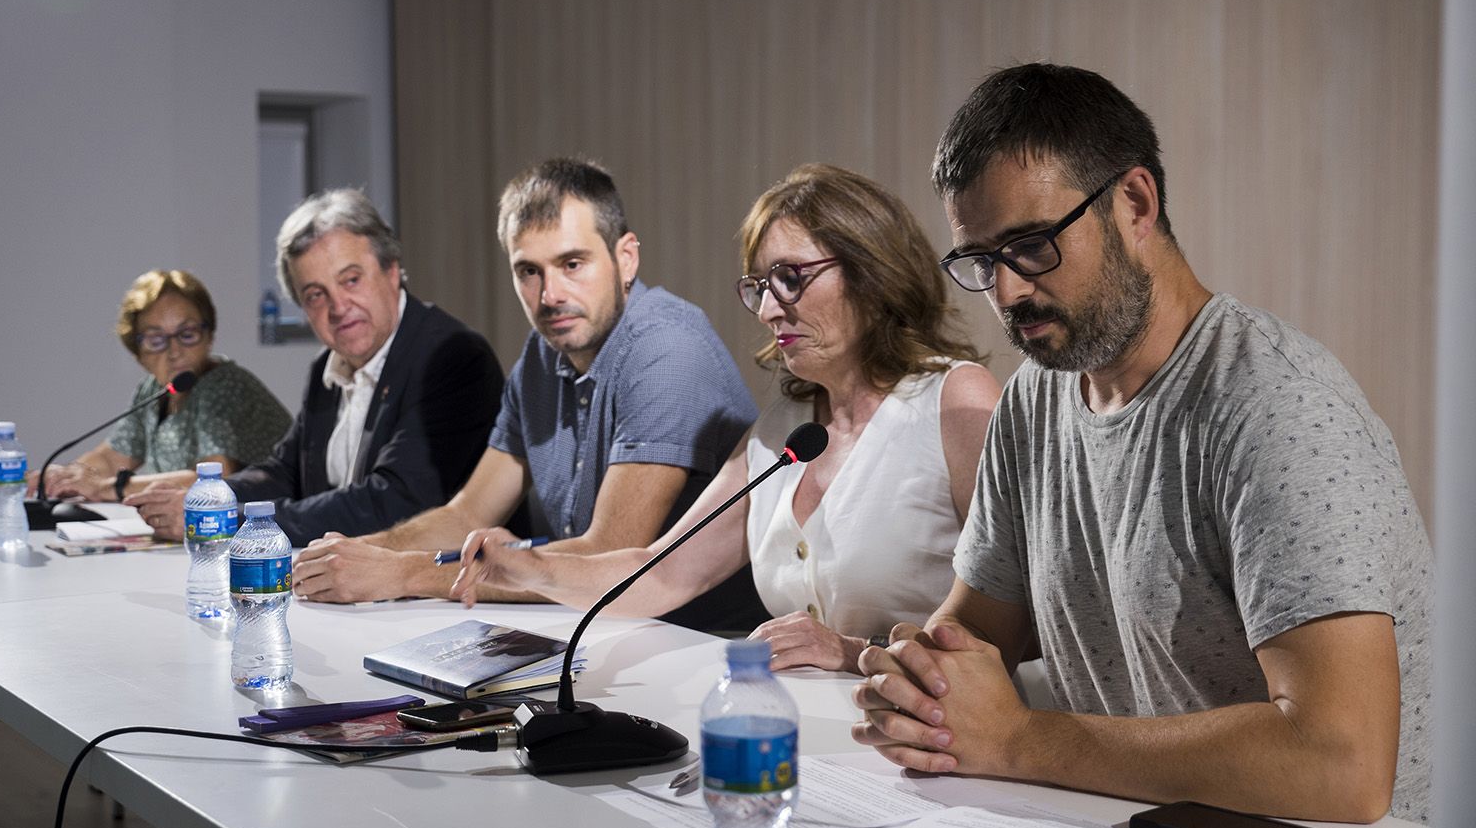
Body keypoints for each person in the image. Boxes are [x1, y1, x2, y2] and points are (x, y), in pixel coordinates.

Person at [851, 63, 1431, 822]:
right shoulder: (1036, 398)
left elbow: (1341, 765)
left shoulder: (1277, 405)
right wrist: (918, 687)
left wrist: (1020, 739)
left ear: (1133, 203)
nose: (1008, 292)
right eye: (981, 260)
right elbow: (974, 635)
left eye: (1030, 244)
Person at [450, 164, 1001, 670]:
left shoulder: (955, 400)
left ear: (870, 272)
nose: (767, 309)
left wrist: (853, 651)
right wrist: (530, 568)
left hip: (943, 740)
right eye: (759, 286)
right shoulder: (779, 428)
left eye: (790, 278)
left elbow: (1013, 625)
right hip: (807, 731)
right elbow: (660, 573)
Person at [289, 157, 768, 633]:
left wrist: (401, 573)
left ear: (626, 258)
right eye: (528, 272)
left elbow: (608, 554)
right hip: (601, 629)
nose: (550, 295)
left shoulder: (668, 350)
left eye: (572, 264)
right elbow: (469, 512)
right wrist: (358, 556)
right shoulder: (543, 354)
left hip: (709, 645)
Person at [126, 189, 505, 542]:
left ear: (391, 272)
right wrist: (208, 499)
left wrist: (230, 521)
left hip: (442, 591)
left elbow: (391, 503)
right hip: (349, 585)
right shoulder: (327, 367)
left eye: (351, 280)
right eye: (316, 295)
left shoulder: (453, 358)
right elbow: (285, 474)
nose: (339, 307)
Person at [32, 269, 290, 503]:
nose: (175, 351)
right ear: (137, 352)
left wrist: (108, 487)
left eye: (187, 334)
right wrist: (66, 478)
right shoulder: (154, 391)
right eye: (156, 340)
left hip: (268, 534)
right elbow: (111, 458)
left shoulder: (224, 386)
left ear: (209, 336)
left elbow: (212, 481)